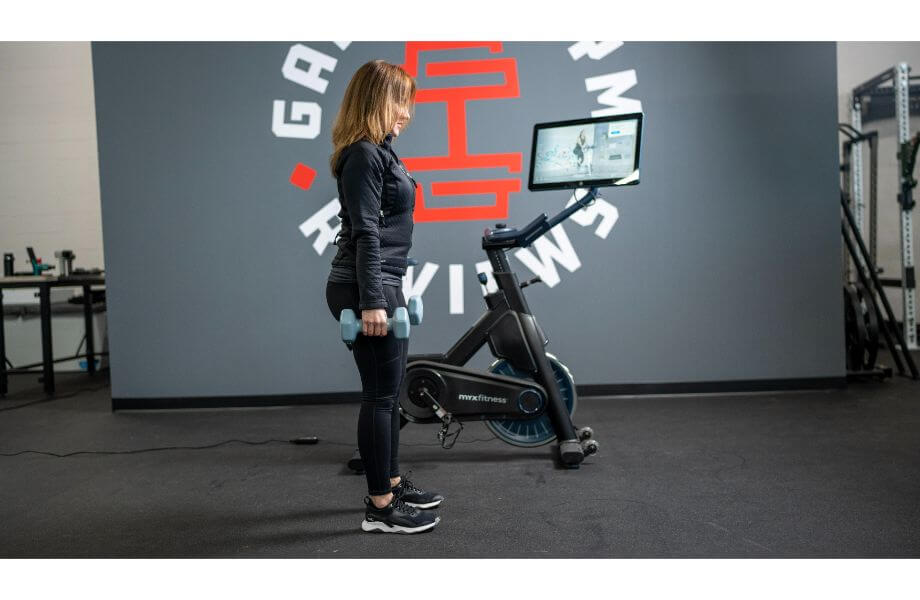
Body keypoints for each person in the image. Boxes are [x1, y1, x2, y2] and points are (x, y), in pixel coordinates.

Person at [325, 59, 443, 534]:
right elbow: (368, 234)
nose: (408, 114)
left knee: (389, 394)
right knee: (378, 397)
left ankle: (390, 482)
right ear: (377, 101)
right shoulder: (363, 155)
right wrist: (373, 301)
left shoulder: (382, 152)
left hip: (380, 282)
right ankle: (380, 508)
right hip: (362, 286)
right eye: (401, 102)